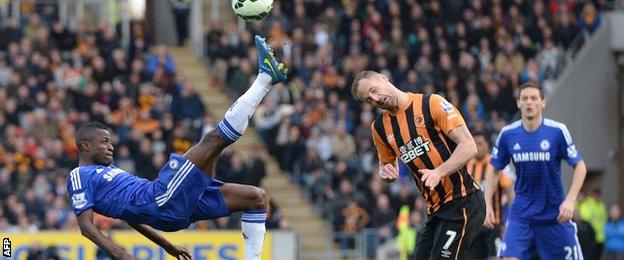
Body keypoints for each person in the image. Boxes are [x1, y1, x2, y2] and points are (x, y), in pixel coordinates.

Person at [67, 36, 287, 260]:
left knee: (256, 197)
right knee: (213, 139)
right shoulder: (79, 175)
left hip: (173, 206)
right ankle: (265, 78)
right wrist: (122, 255)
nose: (111, 147)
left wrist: (167, 246)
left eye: (110, 141)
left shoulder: (108, 172)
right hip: (161, 199)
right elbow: (86, 226)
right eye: (104, 142)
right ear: (86, 145)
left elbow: (131, 217)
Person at [351, 71, 485, 259]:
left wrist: (439, 172)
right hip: (435, 211)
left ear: (383, 78)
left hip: (463, 200)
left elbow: (469, 146)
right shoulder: (379, 128)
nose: (375, 99)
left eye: (373, 90)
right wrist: (385, 173)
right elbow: (386, 164)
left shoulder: (431, 104)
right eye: (368, 100)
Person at [485, 83, 587, 259]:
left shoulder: (557, 131)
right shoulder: (508, 134)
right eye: (524, 98)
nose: (529, 102)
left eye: (534, 98)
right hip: (521, 215)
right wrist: (486, 203)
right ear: (518, 103)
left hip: (554, 216)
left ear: (543, 102)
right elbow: (494, 168)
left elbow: (580, 166)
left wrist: (570, 200)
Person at [467, 131, 513, 260]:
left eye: (480, 143)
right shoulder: (466, 165)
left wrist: (509, 219)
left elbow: (510, 190)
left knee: (496, 257)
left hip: (494, 223)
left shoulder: (495, 165)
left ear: (487, 145)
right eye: (475, 143)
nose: (477, 147)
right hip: (473, 226)